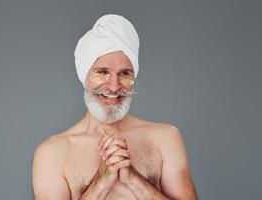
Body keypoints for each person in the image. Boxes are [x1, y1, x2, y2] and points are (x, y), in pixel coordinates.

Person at [32, 14, 197, 200]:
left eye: (124, 74)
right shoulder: (53, 153)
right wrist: (101, 182)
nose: (114, 86)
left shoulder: (165, 139)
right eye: (102, 73)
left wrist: (134, 179)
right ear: (84, 75)